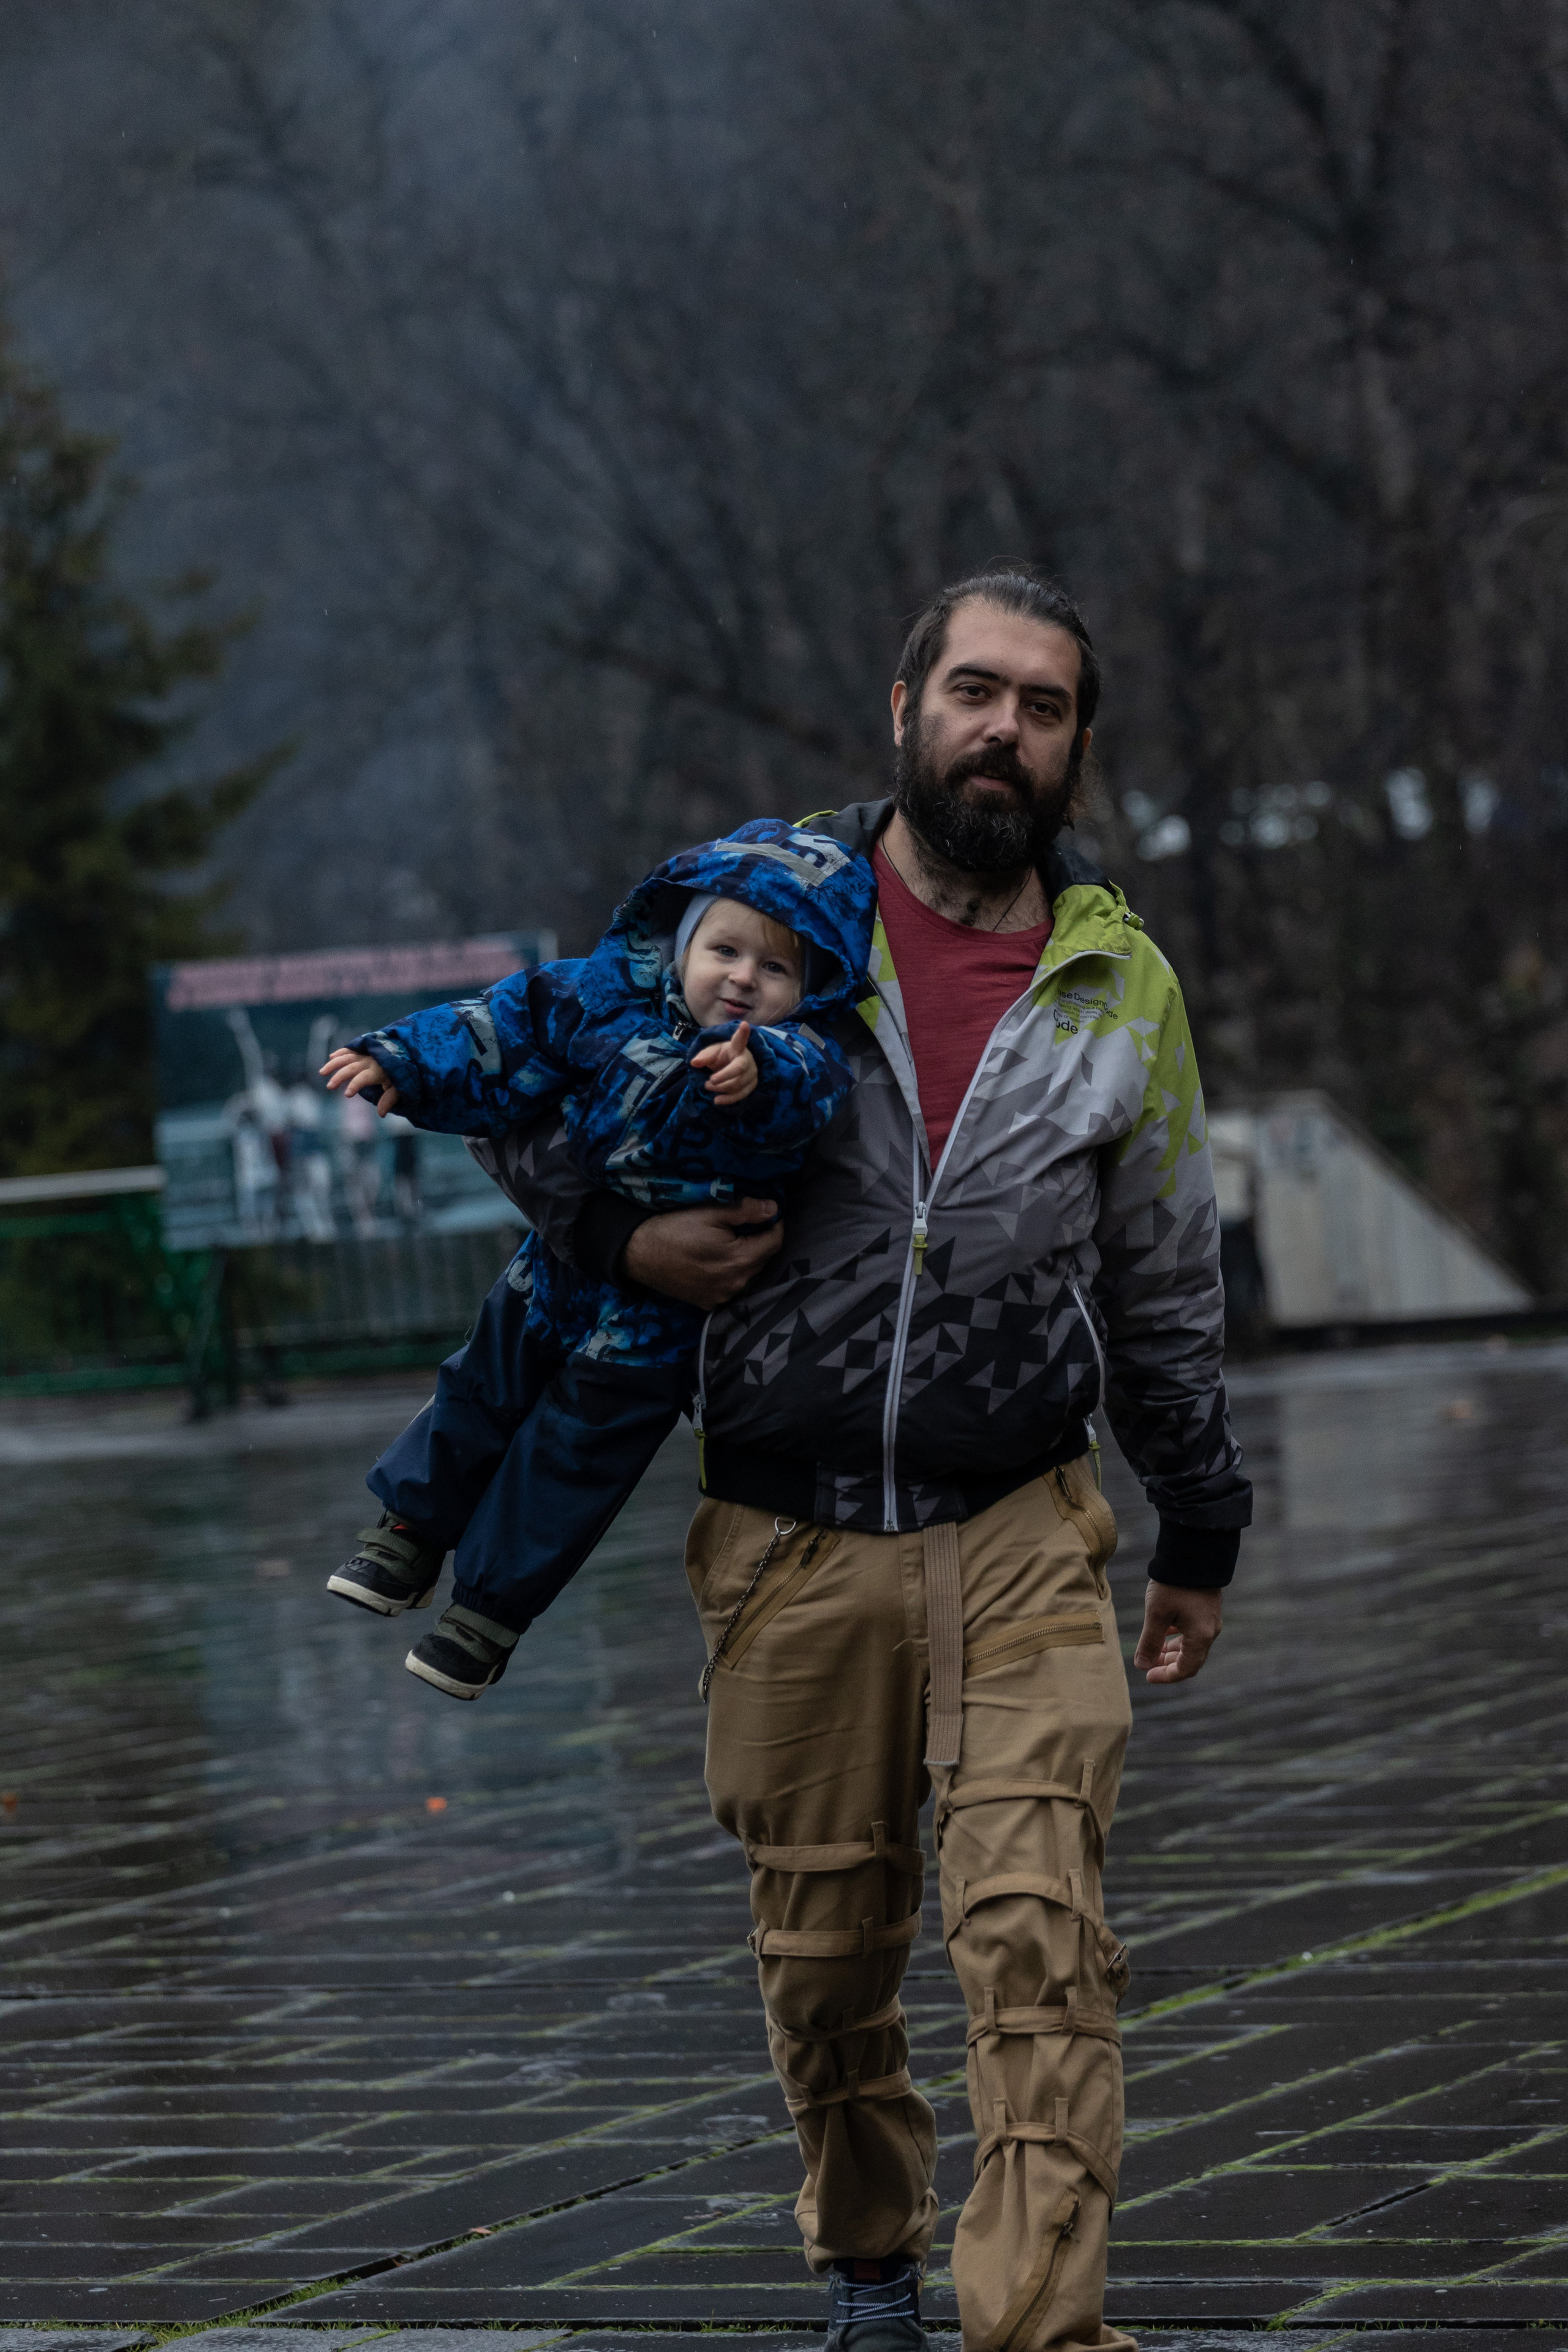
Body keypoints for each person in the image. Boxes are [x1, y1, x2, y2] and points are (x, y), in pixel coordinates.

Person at [478, 570, 1251, 2352]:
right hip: (789, 1539)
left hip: (1023, 1527)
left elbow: (1164, 1275)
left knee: (1039, 1940)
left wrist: (1200, 1520)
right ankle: (868, 2266)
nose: (1004, 728)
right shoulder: (763, 921)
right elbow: (540, 1102)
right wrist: (619, 1240)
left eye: (1043, 705)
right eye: (975, 689)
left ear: (1072, 749)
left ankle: (1038, 2327)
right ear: (902, 706)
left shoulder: (1118, 983)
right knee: (826, 1962)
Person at [318, 820, 877, 1698]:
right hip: (559, 1266)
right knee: (480, 1385)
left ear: (809, 986)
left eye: (776, 969)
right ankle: (409, 1528)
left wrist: (759, 1069)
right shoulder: (601, 998)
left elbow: (810, 1094)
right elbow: (498, 1029)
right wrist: (399, 1061)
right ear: (683, 942)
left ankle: (489, 1611)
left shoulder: (797, 1053)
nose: (743, 978)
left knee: (574, 1458)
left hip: (659, 1324)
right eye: (725, 950)